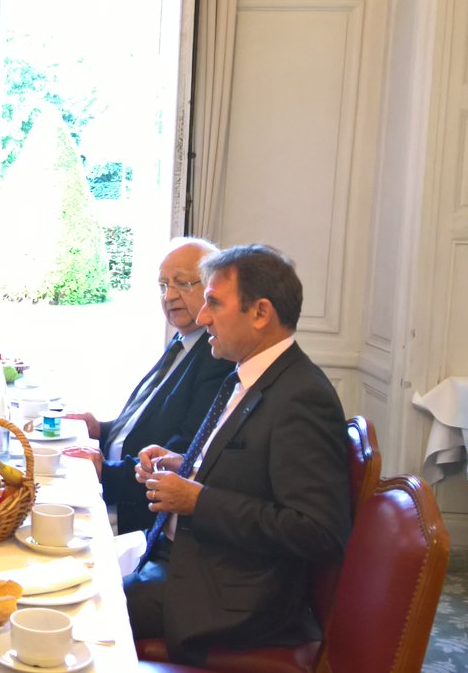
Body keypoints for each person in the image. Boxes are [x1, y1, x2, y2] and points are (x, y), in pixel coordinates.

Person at [125, 244, 351, 665]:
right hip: (190, 560)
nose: (202, 317)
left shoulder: (301, 396)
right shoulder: (247, 374)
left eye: (213, 302)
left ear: (261, 313)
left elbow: (319, 531)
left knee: (82, 608)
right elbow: (250, 472)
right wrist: (185, 463)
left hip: (231, 595)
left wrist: (197, 500)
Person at [67, 238, 235, 534]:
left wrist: (106, 472)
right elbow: (147, 423)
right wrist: (101, 429)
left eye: (182, 283)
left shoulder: (217, 358)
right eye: (163, 285)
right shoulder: (182, 342)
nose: (169, 296)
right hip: (116, 491)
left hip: (136, 512)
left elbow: (184, 453)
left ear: (212, 290)